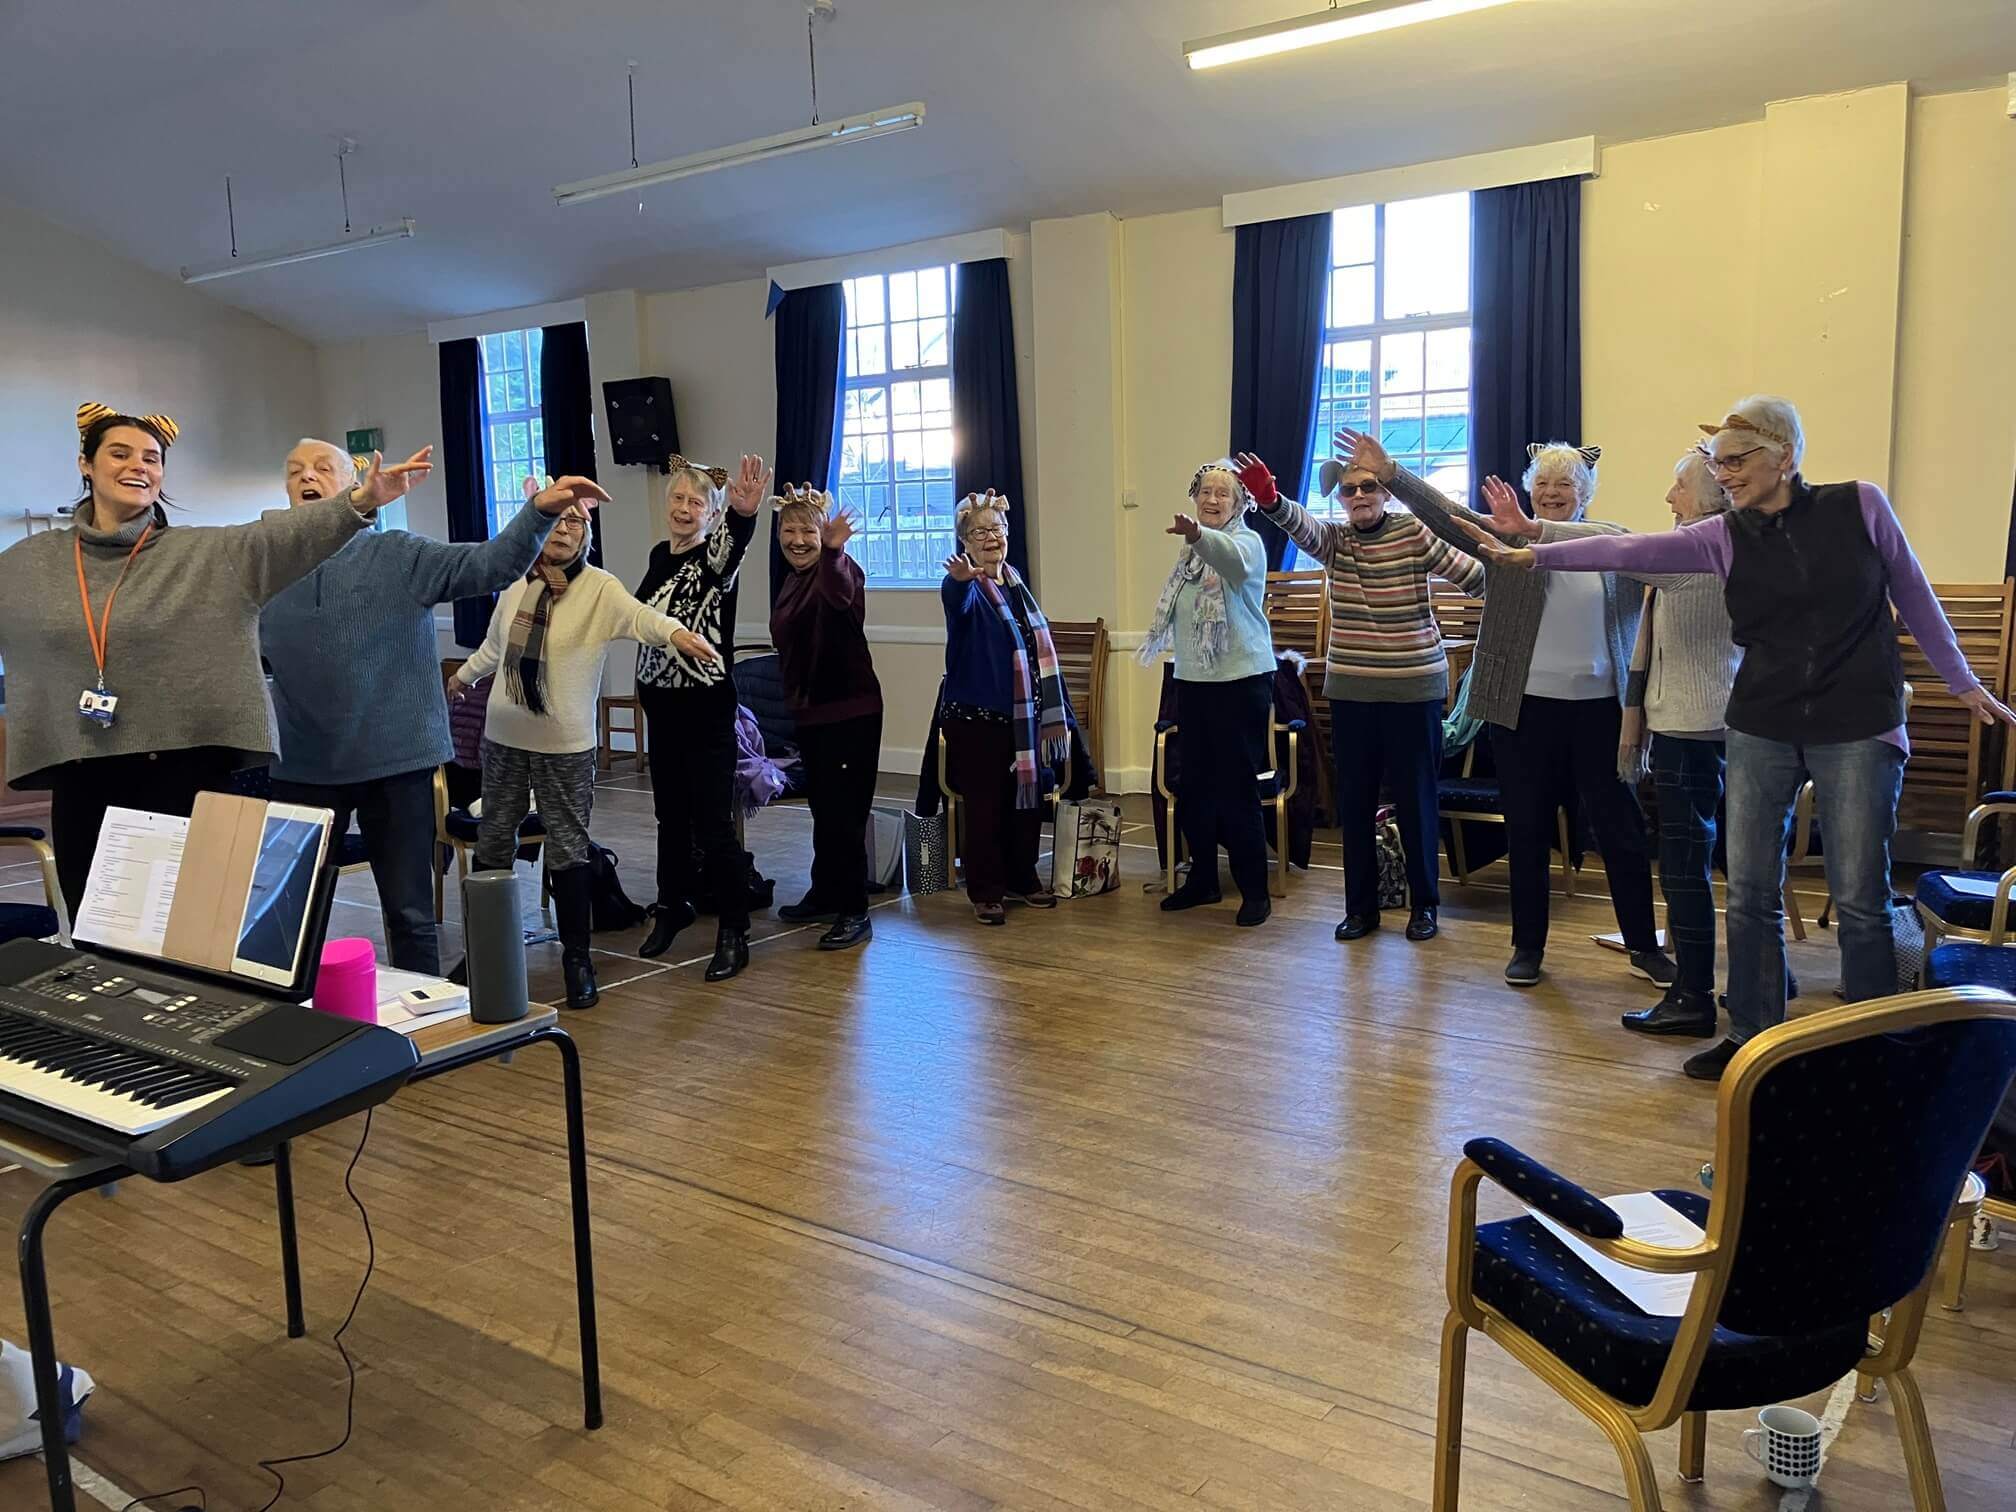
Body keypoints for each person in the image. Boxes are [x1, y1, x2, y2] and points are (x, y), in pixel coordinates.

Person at [1460, 395, 2016, 1079]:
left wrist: (1961, 679)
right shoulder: (1722, 536)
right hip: (1761, 720)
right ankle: (1751, 1039)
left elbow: (1913, 589)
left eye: (1736, 460)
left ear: (1785, 454)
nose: (1724, 474)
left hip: (1859, 721)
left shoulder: (1860, 505)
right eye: (1717, 464)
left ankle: (1875, 1051)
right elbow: (1625, 546)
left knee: (1860, 897)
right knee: (1750, 888)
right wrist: (1537, 545)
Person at [0, 404, 424, 916]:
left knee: (199, 935)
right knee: (101, 941)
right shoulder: (28, 566)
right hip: (85, 779)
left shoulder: (207, 554)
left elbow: (285, 537)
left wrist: (362, 499)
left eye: (152, 458)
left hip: (190, 776)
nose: (140, 465)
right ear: (85, 464)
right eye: (120, 453)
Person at [1334, 427, 1676, 990]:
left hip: (1601, 715)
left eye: (1564, 483)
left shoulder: (1608, 541)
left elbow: (1622, 541)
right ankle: (1528, 947)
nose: (1551, 491)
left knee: (1621, 831)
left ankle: (1643, 946)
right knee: (1526, 829)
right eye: (1542, 483)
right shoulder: (1505, 546)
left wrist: (1538, 531)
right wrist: (1393, 474)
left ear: (1584, 492)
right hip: (1525, 711)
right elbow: (1445, 516)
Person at [260, 439, 595, 974]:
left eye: (324, 468)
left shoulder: (399, 554)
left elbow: (490, 564)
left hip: (397, 765)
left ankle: (423, 1032)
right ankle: (296, 1026)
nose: (308, 476)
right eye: (295, 469)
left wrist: (539, 512)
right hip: (301, 769)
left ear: (355, 483)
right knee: (289, 914)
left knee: (410, 914)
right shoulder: (265, 561)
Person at [449, 494, 717, 1009]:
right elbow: (493, 650)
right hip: (504, 738)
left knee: (569, 848)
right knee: (494, 843)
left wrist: (678, 634)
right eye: (553, 520)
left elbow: (643, 619)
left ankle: (577, 959)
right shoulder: (515, 583)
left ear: (586, 534)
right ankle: (483, 953)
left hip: (564, 746)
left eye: (574, 522)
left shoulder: (599, 589)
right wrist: (461, 679)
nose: (563, 530)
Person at [1235, 449, 1484, 942]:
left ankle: (1425, 907)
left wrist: (1510, 562)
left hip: (1414, 688)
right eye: (1349, 490)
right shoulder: (1336, 540)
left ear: (1386, 492)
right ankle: (1361, 909)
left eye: (1368, 487)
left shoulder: (1413, 532)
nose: (1359, 496)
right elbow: (1301, 526)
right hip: (1353, 691)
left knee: (1417, 799)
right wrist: (1269, 498)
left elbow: (1475, 578)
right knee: (1357, 802)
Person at [1606, 450, 1744, 1039]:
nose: (1668, 499)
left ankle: (1692, 995)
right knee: (1734, 866)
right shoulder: (1733, 543)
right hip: (1718, 724)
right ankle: (1756, 979)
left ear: (1710, 499)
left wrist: (1530, 531)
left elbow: (1605, 546)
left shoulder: (1697, 550)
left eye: (1678, 487)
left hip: (1690, 729)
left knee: (1686, 870)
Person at [632, 454, 772, 982]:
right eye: (678, 499)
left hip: (705, 713)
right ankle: (673, 907)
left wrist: (741, 514)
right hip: (662, 712)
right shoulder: (656, 555)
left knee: (714, 825)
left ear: (712, 516)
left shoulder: (715, 561)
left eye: (697, 502)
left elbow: (733, 546)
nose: (685, 508)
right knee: (670, 818)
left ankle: (734, 929)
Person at [1141, 461, 1278, 928]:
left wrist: (1199, 534)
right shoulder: (1191, 557)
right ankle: (1202, 878)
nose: (1213, 499)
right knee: (1194, 784)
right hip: (1194, 680)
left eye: (1223, 493)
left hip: (1241, 681)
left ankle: (1255, 891)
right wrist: (1197, 540)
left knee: (1237, 785)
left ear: (1239, 503)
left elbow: (1232, 562)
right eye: (1204, 492)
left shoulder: (1246, 544)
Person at [940, 491, 1070, 926]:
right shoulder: (967, 587)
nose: (991, 537)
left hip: (1023, 720)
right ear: (965, 541)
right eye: (980, 532)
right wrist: (961, 579)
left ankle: (1022, 877)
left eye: (997, 529)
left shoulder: (1016, 585)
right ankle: (986, 890)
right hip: (976, 720)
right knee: (986, 807)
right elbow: (958, 603)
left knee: (1026, 804)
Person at [769, 485, 880, 950]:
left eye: (808, 531)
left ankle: (854, 911)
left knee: (844, 815)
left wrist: (834, 551)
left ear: (824, 534)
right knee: (823, 810)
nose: (798, 539)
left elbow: (838, 598)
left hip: (850, 714)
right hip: (812, 714)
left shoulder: (840, 569)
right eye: (789, 530)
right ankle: (825, 890)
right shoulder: (793, 578)